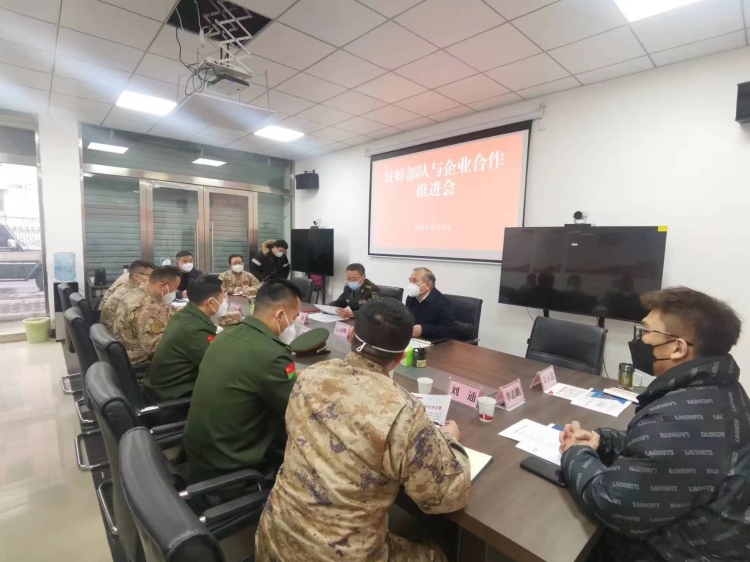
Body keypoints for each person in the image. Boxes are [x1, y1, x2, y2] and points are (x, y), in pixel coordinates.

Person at [256, 298, 471, 562]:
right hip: (339, 556)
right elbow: (445, 497)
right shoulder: (404, 413)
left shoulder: (311, 376)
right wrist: (450, 440)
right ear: (400, 358)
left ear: (350, 337)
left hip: (274, 539)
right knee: (439, 554)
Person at [558, 287, 749, 562]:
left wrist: (576, 453)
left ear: (677, 348)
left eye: (646, 331)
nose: (641, 339)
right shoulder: (722, 391)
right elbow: (662, 454)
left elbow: (611, 506)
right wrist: (605, 441)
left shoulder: (678, 420)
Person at [182, 279, 302, 482]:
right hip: (232, 466)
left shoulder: (227, 335)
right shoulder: (272, 354)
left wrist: (305, 373)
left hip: (200, 453)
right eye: (294, 317)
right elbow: (295, 410)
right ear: (280, 315)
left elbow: (260, 372)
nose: (294, 323)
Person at [142, 275, 227, 403]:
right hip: (173, 397)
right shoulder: (195, 330)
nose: (225, 301)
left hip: (160, 387)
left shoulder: (183, 315)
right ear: (211, 302)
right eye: (223, 297)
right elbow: (220, 367)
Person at [112, 265, 181, 365]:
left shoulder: (142, 294)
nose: (174, 292)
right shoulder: (145, 306)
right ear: (163, 285)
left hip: (133, 352)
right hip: (141, 361)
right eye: (174, 289)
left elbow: (164, 309)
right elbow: (156, 347)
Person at [100, 260, 154, 332]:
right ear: (136, 276)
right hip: (117, 334)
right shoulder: (128, 296)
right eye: (150, 276)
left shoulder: (129, 287)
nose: (153, 280)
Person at [404, 267, 454, 341]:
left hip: (433, 342)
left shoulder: (444, 303)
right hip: (413, 339)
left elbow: (448, 330)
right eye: (410, 281)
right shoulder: (411, 298)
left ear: (427, 285)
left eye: (414, 281)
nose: (411, 284)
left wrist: (423, 329)